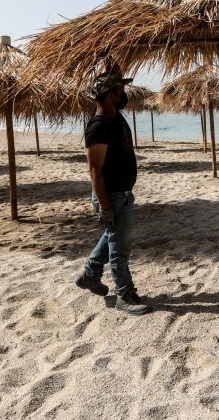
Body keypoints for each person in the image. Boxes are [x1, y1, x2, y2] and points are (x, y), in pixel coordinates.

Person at [74, 69, 151, 315]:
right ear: (108, 96)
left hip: (122, 193)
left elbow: (115, 70)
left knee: (113, 237)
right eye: (119, 91)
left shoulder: (115, 116)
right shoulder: (98, 127)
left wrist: (111, 61)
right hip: (112, 195)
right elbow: (94, 170)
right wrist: (106, 208)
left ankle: (90, 273)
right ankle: (124, 295)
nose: (124, 94)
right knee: (120, 246)